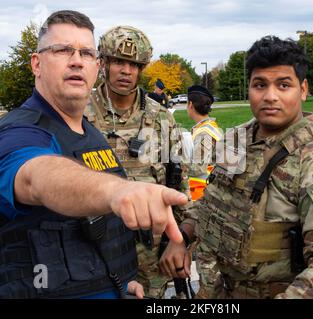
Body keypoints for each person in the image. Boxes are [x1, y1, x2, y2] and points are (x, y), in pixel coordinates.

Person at [0, 10, 187, 299]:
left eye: (86, 53)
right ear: (36, 63)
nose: (76, 60)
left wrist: (123, 283)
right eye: (62, 50)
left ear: (96, 66)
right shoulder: (16, 133)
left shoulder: (90, 134)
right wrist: (116, 190)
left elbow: (95, 235)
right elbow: (36, 177)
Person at [160, 35, 313, 299]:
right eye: (260, 85)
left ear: (303, 89)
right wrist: (183, 238)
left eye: (283, 85)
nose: (270, 96)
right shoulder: (237, 140)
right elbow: (215, 201)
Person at [85, 25, 191, 298]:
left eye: (134, 64)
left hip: (150, 254)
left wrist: (179, 243)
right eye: (119, 62)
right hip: (93, 252)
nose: (126, 71)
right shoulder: (81, 113)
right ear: (104, 63)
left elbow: (180, 185)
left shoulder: (160, 118)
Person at [185, 85, 222, 298]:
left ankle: (207, 295)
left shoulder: (203, 133)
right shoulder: (210, 127)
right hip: (211, 194)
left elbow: (198, 170)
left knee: (206, 256)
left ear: (191, 105)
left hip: (203, 197)